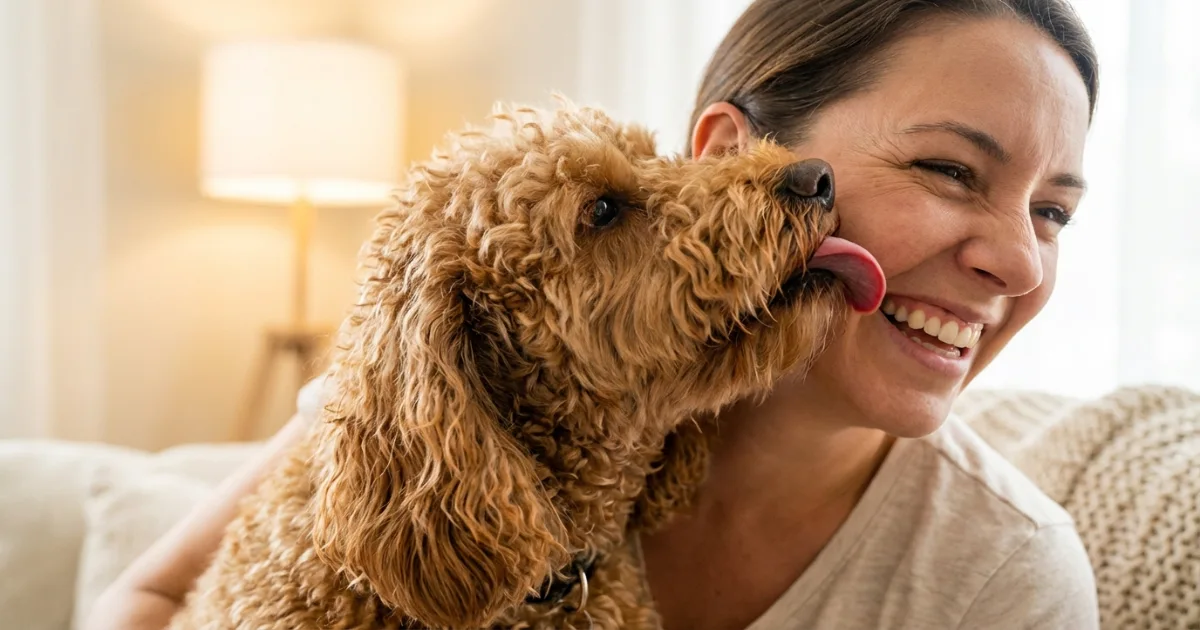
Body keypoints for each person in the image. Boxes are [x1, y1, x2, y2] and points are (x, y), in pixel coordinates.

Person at [88, 0, 1101, 628]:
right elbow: (154, 594)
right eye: (947, 168)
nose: (1018, 259)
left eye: (1053, 211)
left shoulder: (1001, 576)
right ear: (720, 153)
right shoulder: (457, 390)